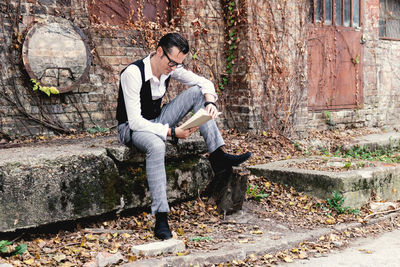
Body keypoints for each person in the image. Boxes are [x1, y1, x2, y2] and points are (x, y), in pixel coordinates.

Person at [116, 33, 251, 240]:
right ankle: (161, 217)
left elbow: (204, 82)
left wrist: (210, 103)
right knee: (157, 146)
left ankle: (217, 155)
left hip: (157, 120)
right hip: (132, 128)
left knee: (197, 92)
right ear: (159, 52)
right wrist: (172, 132)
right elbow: (134, 121)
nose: (174, 68)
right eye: (171, 63)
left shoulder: (171, 67)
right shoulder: (133, 73)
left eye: (178, 64)